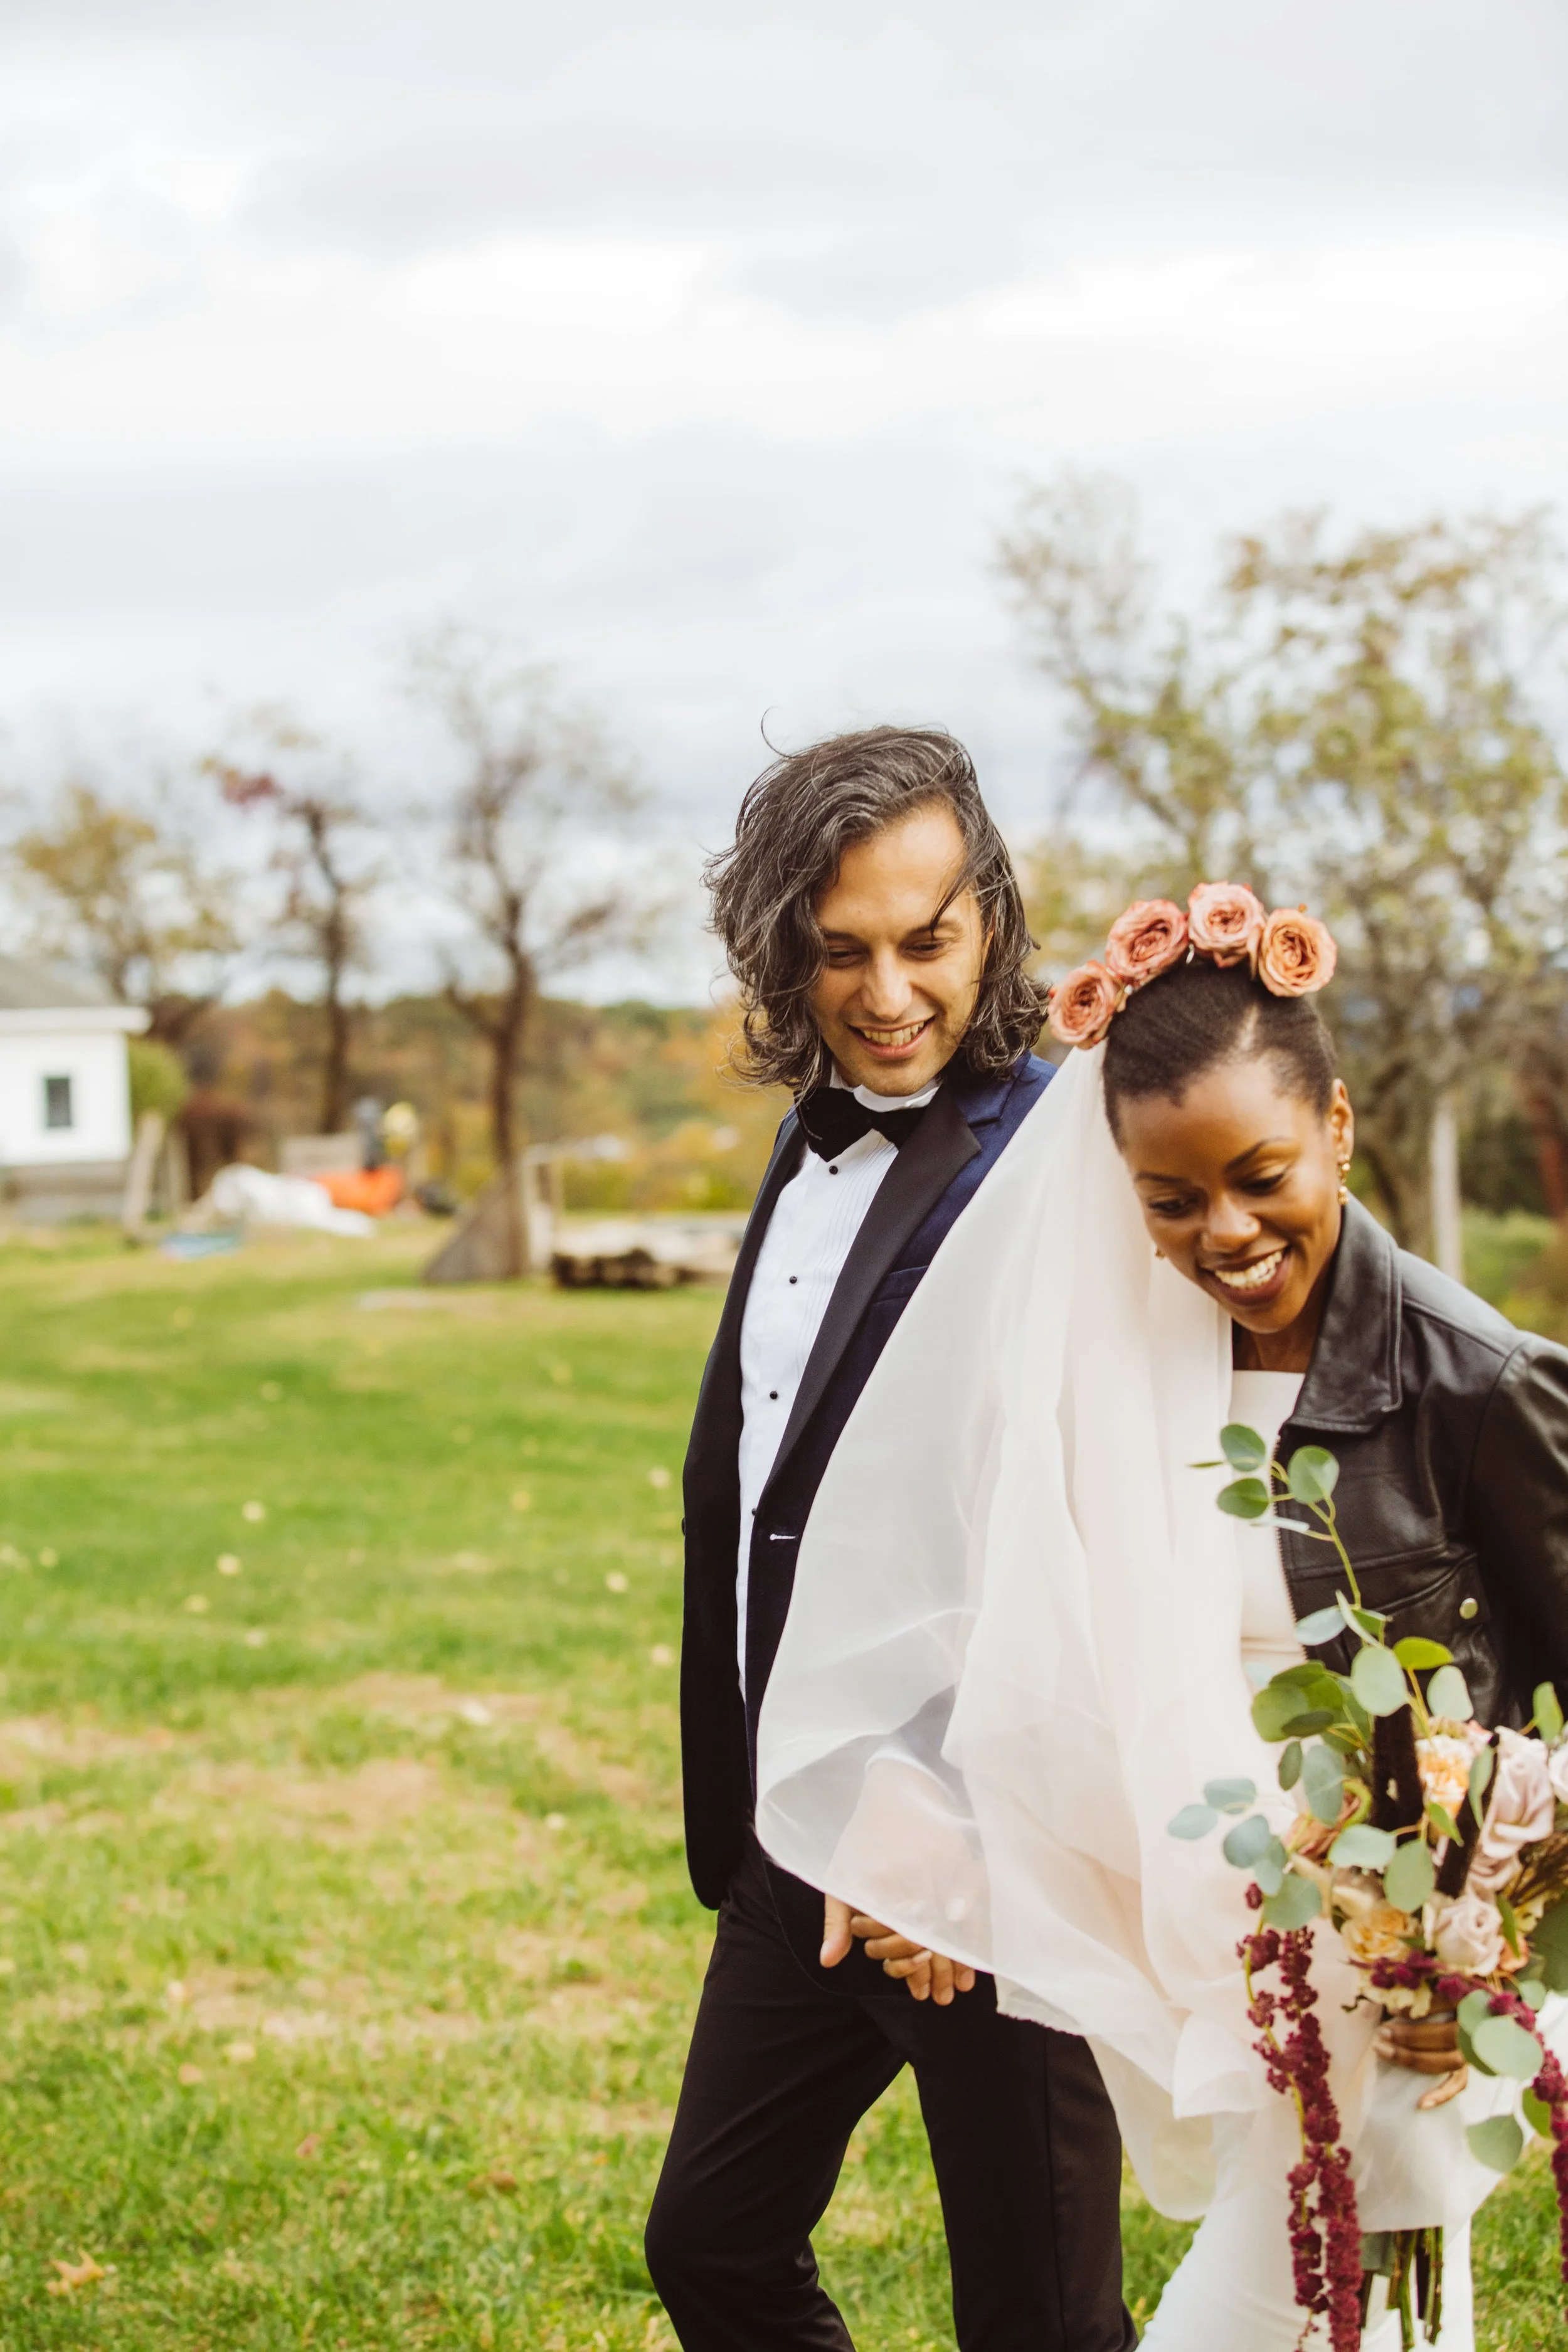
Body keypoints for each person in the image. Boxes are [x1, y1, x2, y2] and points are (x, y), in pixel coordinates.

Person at [755, 885, 1568, 2351]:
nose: (1226, 1234)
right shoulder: (1129, 1369)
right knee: (1385, 2328)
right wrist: (911, 1791)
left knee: (1290, 2314)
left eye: (1259, 1174)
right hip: (1239, 1958)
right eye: (1171, 1199)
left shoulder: (1476, 1380)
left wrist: (1479, 1953)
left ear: (1332, 1124)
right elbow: (1018, 1620)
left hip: (1413, 1989)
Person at [645, 728, 1138, 2352]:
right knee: (710, 2244)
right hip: (800, 1829)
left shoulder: (1061, 1161)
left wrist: (943, 1801)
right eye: (839, 947)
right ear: (781, 941)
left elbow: (1076, 1520)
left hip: (987, 1849)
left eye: (924, 936)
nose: (886, 989)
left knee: (1038, 2320)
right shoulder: (806, 1132)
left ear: (988, 915)